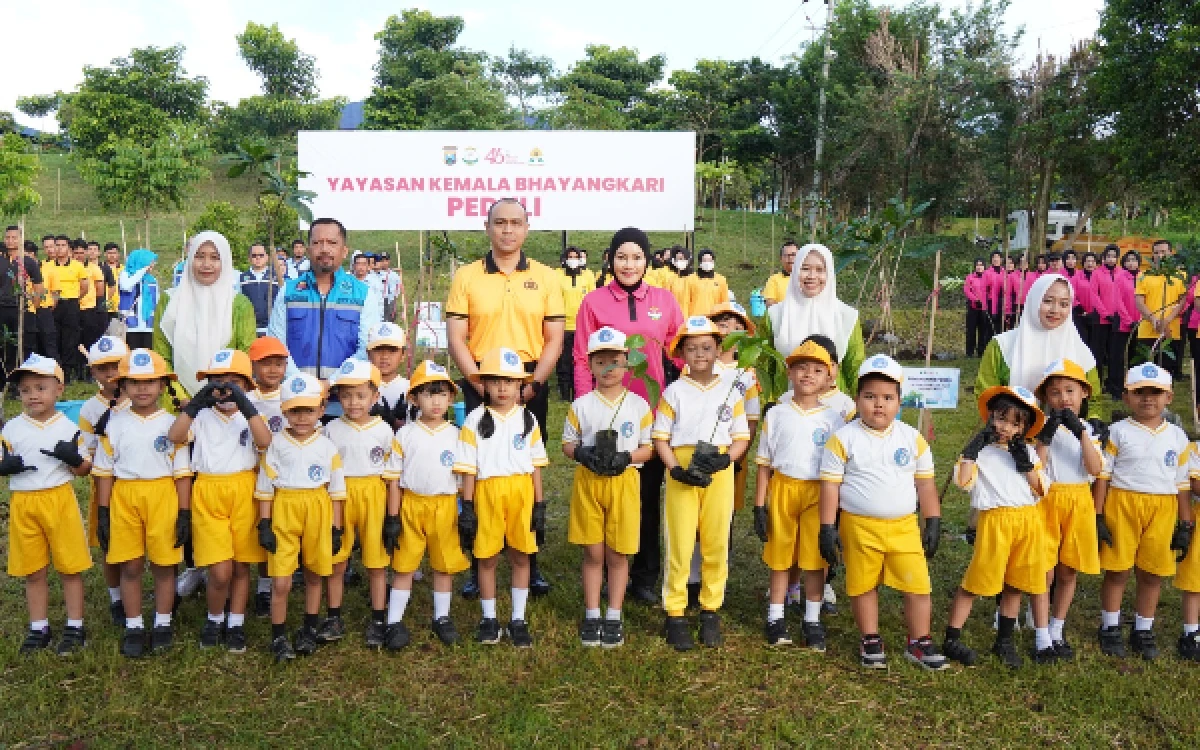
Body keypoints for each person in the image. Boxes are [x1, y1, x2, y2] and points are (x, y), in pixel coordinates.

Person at [445, 199, 563, 597]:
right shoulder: (467, 276)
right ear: (487, 227)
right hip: (482, 381)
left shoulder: (547, 277)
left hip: (530, 382)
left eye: (515, 223)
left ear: (527, 228)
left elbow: (554, 339)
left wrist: (533, 386)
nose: (507, 230)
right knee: (478, 469)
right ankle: (480, 564)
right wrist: (478, 383)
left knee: (524, 469)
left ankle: (529, 561)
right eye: (500, 223)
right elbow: (456, 337)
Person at [573, 227, 684, 605]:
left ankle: (643, 575)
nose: (629, 264)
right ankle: (601, 569)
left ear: (648, 260)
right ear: (610, 259)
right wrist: (587, 406)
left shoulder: (665, 301)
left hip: (648, 413)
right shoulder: (593, 302)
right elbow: (580, 358)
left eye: (637, 256)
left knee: (647, 497)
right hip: (604, 412)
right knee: (602, 491)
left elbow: (678, 352)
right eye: (622, 256)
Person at [818, 355, 945, 670]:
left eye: (888, 398)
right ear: (857, 399)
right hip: (858, 527)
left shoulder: (912, 439)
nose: (879, 404)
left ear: (900, 401)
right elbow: (830, 488)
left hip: (904, 527)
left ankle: (919, 641)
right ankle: (870, 637)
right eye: (870, 396)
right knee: (863, 584)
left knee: (918, 584)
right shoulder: (842, 439)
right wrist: (827, 527)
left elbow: (926, 485)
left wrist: (932, 521)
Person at [653, 317, 751, 651]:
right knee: (679, 541)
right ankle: (675, 611)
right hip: (682, 469)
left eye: (707, 348)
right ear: (681, 353)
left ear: (718, 350)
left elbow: (740, 436)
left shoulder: (730, 391)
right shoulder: (674, 391)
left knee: (715, 540)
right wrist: (674, 468)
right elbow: (661, 437)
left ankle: (711, 609)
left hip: (718, 471)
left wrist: (728, 460)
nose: (699, 354)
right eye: (691, 348)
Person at [167, 350, 270, 653]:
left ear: (246, 386)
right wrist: (196, 404)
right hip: (209, 492)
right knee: (219, 569)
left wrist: (245, 404)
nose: (224, 389)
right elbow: (175, 436)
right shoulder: (200, 417)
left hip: (244, 490)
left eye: (233, 383)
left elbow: (264, 442)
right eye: (217, 382)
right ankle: (214, 617)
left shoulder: (252, 416)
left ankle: (235, 622)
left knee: (240, 567)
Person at [942, 385, 1052, 669]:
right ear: (991, 417)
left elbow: (1041, 489)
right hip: (995, 522)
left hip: (1027, 522)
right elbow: (963, 482)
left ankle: (1004, 641)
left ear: (1025, 428)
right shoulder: (984, 452)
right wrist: (971, 452)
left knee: (1015, 584)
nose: (1005, 427)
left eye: (1015, 423)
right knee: (977, 580)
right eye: (1001, 419)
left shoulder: (1029, 453)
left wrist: (1025, 464)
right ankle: (951, 637)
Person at [92, 349, 190, 659]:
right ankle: (134, 625)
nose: (142, 388)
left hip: (163, 496)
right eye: (134, 382)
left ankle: (162, 622)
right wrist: (104, 512)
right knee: (130, 564)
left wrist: (184, 512)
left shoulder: (174, 425)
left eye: (150, 382)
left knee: (164, 564)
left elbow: (182, 473)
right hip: (125, 497)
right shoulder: (115, 424)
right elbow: (105, 471)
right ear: (123, 386)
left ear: (163, 385)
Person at [1093, 363, 1193, 660]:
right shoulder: (1118, 431)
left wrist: (1185, 523)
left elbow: (1182, 482)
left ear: (1169, 397)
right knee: (1118, 570)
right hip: (1123, 504)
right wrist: (1098, 515)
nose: (1147, 399)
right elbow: (1103, 476)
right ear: (1126, 397)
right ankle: (1110, 626)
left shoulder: (1177, 436)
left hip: (1162, 509)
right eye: (1139, 393)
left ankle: (1143, 629)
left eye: (1156, 393)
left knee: (1152, 573)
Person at [453, 347, 550, 648]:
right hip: (488, 493)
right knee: (487, 556)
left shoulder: (528, 420)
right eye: (495, 381)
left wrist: (539, 503)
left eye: (510, 381)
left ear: (521, 384)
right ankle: (489, 617)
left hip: (521, 493)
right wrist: (467, 506)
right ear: (485, 385)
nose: (503, 388)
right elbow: (468, 469)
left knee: (521, 555)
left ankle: (518, 619)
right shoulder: (473, 420)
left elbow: (535, 465)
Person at [563, 327, 654, 648]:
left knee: (618, 552)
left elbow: (649, 447)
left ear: (627, 362)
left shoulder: (639, 405)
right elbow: (568, 443)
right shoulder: (582, 405)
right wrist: (582, 453)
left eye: (615, 361)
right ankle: (591, 613)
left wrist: (627, 457)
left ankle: (613, 614)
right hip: (589, 483)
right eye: (600, 362)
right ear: (590, 365)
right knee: (593, 551)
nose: (609, 369)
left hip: (624, 482)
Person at [753, 339, 846, 649]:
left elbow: (838, 470)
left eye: (817, 369)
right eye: (801, 368)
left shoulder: (835, 420)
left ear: (829, 377)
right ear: (789, 372)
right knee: (780, 556)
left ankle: (812, 619)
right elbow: (764, 463)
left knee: (815, 559)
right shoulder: (776, 414)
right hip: (782, 489)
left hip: (818, 494)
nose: (808, 375)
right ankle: (775, 616)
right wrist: (759, 505)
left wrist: (835, 515)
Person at [1, 354, 93, 655]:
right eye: (25, 390)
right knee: (33, 569)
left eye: (41, 387)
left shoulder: (67, 428)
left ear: (59, 390)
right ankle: (38, 626)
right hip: (24, 503)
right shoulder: (11, 429)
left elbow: (83, 469)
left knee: (70, 566)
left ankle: (75, 625)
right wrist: (4, 466)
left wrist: (75, 460)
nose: (32, 395)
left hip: (58, 500)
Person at [256, 372, 347, 663]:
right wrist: (265, 523)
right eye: (295, 410)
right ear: (284, 411)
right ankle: (279, 635)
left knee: (313, 573)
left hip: (317, 509)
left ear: (321, 410)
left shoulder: (327, 446)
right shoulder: (276, 445)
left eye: (309, 409)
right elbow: (266, 488)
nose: (302, 417)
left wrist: (335, 528)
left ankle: (309, 627)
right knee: (281, 581)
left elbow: (336, 491)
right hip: (285, 508)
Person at [385, 360, 468, 649]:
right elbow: (394, 479)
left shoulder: (458, 436)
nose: (435, 401)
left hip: (445, 507)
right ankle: (394, 621)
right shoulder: (405, 435)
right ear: (414, 398)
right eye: (428, 393)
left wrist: (466, 510)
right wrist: (393, 517)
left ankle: (442, 617)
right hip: (411, 506)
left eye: (442, 394)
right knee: (404, 565)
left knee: (443, 565)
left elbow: (464, 477)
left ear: (451, 398)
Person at [322, 358, 397, 648]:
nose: (353, 402)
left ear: (375, 397)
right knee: (337, 557)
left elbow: (392, 477)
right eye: (346, 395)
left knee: (376, 561)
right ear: (338, 397)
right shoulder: (331, 430)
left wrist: (392, 514)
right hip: (340, 497)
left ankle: (379, 618)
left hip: (374, 495)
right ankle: (333, 616)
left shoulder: (384, 430)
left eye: (361, 395)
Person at [1033, 358, 1103, 659]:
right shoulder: (1038, 429)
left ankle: (1057, 626)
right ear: (1047, 398)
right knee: (1044, 569)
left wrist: (1081, 433)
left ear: (1083, 393)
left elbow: (1095, 468)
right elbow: (1037, 467)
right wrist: (1046, 436)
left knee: (1068, 569)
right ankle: (1040, 631)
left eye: (1070, 391)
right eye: (1056, 392)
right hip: (1047, 501)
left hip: (1078, 502)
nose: (1063, 398)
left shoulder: (1091, 429)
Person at [267, 218, 382, 381]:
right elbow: (276, 344)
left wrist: (332, 383)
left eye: (332, 243)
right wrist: (301, 384)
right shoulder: (288, 291)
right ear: (308, 250)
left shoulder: (363, 294)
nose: (324, 249)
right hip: (297, 397)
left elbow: (367, 348)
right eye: (317, 243)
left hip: (346, 398)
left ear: (344, 251)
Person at [155, 231, 257, 397]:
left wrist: (222, 393)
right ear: (189, 259)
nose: (206, 264)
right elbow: (161, 357)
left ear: (225, 261)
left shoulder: (239, 304)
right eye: (199, 256)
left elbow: (244, 358)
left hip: (226, 400)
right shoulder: (169, 301)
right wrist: (182, 399)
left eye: (215, 258)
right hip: (176, 402)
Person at [78, 335, 130, 628]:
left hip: (139, 482)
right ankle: (116, 598)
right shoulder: (89, 409)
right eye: (102, 368)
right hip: (105, 486)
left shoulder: (142, 396)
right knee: (109, 544)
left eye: (115, 365)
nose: (110, 373)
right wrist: (98, 438)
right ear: (93, 372)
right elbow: (85, 452)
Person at [977, 274, 1100, 395]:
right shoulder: (1002, 346)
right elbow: (987, 394)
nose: (1055, 310)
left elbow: (1093, 400)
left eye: (1064, 304)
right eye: (1048, 301)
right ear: (1034, 301)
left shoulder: (1079, 349)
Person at [769, 243, 865, 395]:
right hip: (785, 407)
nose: (812, 276)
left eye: (820, 270)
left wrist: (860, 407)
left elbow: (855, 367)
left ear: (830, 273)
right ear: (795, 271)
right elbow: (763, 368)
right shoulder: (775, 315)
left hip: (834, 411)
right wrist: (767, 406)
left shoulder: (847, 316)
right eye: (805, 268)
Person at [247, 335, 290, 617]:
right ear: (252, 365)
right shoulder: (247, 399)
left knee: (278, 529)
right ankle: (261, 588)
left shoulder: (292, 395)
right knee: (258, 530)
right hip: (253, 471)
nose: (273, 370)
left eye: (279, 364)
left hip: (285, 475)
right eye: (266, 364)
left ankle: (274, 583)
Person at [1135, 239, 1187, 377]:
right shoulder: (1143, 276)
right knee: (1145, 374)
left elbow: (1182, 301)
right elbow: (1139, 302)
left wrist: (1167, 320)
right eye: (1156, 252)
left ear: (1171, 253)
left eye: (1163, 252)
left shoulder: (1181, 276)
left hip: (1171, 331)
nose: (1160, 255)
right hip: (1147, 330)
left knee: (1166, 373)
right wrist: (1153, 320)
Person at [1, 227, 43, 366]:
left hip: (20, 309)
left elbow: (38, 287)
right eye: (7, 237)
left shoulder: (28, 262)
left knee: (22, 345)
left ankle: (19, 377)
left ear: (21, 239)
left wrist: (34, 306)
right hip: (2, 308)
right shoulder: (1, 260)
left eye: (14, 237)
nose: (10, 241)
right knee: (4, 345)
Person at [555, 246, 590, 401]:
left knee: (580, 360)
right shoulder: (557, 275)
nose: (573, 260)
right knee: (563, 361)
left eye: (576, 257)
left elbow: (591, 300)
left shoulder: (587, 276)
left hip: (581, 326)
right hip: (563, 325)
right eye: (570, 256)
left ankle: (578, 392)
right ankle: (564, 393)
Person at [1106, 251, 1141, 399]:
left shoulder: (1143, 277)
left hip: (1140, 323)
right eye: (1128, 260)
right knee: (1118, 357)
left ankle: (1134, 386)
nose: (1131, 263)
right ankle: (1116, 388)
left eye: (1134, 260)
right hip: (1123, 324)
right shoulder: (1120, 278)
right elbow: (1118, 302)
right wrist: (1128, 321)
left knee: (1135, 356)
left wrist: (1140, 320)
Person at [54, 238, 89, 382]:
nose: (60, 248)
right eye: (57, 245)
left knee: (70, 338)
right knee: (55, 337)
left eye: (63, 246)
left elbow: (84, 287)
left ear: (69, 249)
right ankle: (57, 370)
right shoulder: (47, 266)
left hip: (71, 304)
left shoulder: (78, 266)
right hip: (54, 305)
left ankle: (68, 372)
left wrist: (73, 298)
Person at [1091, 245, 1123, 386]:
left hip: (1118, 319)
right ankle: (1098, 381)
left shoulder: (1121, 273)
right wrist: (1105, 314)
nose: (1111, 259)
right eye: (1108, 256)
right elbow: (1094, 295)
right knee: (1098, 352)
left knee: (1114, 353)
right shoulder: (1097, 273)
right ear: (1104, 258)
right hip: (1101, 319)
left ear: (1117, 258)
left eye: (1113, 256)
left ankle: (1112, 381)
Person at [366, 322, 410, 423]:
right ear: (368, 354)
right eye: (378, 349)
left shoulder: (411, 388)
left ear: (403, 355)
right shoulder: (359, 387)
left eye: (392, 350)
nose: (385, 356)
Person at [118, 249, 159, 351]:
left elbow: (156, 301)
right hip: (130, 325)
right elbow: (126, 286)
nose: (152, 265)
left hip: (148, 326)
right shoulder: (126, 275)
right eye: (150, 262)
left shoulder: (152, 279)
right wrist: (141, 271)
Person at [238, 242, 281, 337]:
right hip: (249, 328)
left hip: (271, 329)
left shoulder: (276, 277)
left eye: (261, 255)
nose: (258, 258)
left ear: (267, 257)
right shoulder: (241, 278)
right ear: (249, 258)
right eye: (254, 255)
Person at [75, 241, 107, 361]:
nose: (79, 255)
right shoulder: (71, 267)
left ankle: (89, 366)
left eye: (82, 253)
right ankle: (77, 369)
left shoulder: (94, 268)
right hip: (73, 308)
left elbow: (100, 290)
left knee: (89, 339)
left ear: (86, 253)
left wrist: (89, 299)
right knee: (75, 339)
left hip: (89, 309)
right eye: (76, 253)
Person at [682, 248, 730, 319]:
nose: (707, 262)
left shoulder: (721, 280)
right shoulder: (689, 279)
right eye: (705, 260)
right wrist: (686, 320)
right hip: (695, 320)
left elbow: (724, 302)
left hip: (714, 319)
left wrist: (724, 318)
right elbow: (685, 302)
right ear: (700, 262)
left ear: (713, 262)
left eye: (710, 260)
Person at [35, 236, 60, 361]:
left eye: (51, 246)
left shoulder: (71, 262)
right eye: (46, 247)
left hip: (66, 304)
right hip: (46, 307)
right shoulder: (43, 265)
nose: (50, 250)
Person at [763, 241, 799, 307]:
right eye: (786, 255)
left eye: (793, 255)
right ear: (781, 259)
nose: (790, 258)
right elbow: (770, 304)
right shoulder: (773, 280)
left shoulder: (807, 278)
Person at [964, 258, 988, 357]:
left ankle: (981, 351)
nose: (979, 267)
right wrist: (975, 299)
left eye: (981, 265)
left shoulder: (987, 277)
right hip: (973, 307)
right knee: (971, 330)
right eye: (977, 265)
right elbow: (967, 290)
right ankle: (969, 352)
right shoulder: (970, 277)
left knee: (983, 330)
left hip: (984, 308)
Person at [983, 250, 1006, 336]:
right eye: (994, 257)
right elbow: (983, 290)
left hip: (1002, 303)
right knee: (990, 328)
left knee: (1001, 328)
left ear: (1001, 259)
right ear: (991, 260)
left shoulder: (1005, 272)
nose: (996, 259)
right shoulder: (987, 273)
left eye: (998, 257)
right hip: (991, 303)